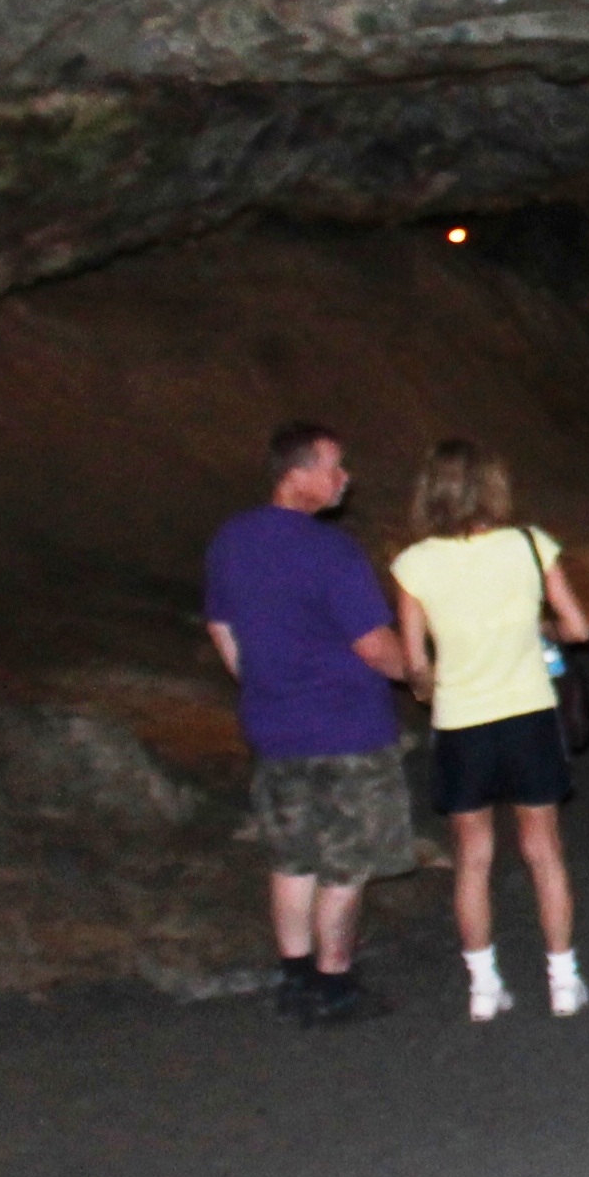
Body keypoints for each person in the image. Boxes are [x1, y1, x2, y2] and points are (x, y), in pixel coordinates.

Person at [203, 423, 413, 1028]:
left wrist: (262, 681)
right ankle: (334, 981)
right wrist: (420, 673)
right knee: (345, 862)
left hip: (274, 725)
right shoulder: (331, 552)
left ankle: (294, 977)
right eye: (333, 467)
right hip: (346, 728)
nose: (344, 479)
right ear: (296, 475)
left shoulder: (232, 540)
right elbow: (374, 646)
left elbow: (221, 626)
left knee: (292, 858)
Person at [392, 439, 589, 1022]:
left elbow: (415, 664)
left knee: (473, 856)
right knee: (544, 851)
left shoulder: (414, 564)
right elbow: (579, 628)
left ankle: (483, 986)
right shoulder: (530, 545)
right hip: (528, 712)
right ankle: (563, 981)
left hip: (461, 722)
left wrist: (432, 690)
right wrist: (544, 631)